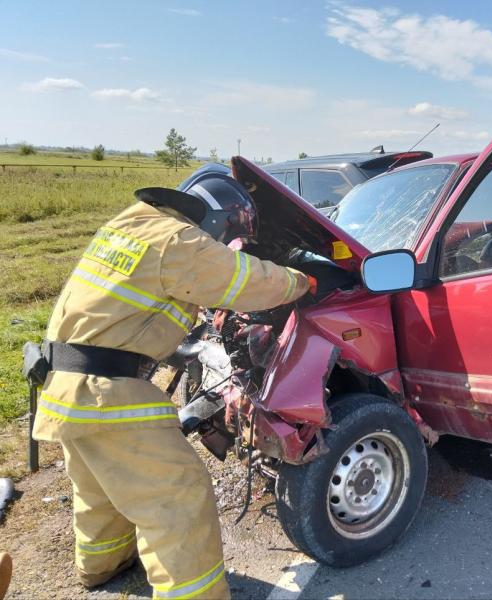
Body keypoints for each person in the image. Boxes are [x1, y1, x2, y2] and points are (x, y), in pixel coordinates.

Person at [32, 166, 313, 599]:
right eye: (228, 233)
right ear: (219, 217)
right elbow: (249, 281)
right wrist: (303, 281)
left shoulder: (130, 223)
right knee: (177, 495)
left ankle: (102, 566)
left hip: (64, 383)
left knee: (102, 489)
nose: (223, 242)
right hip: (106, 393)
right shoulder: (180, 241)